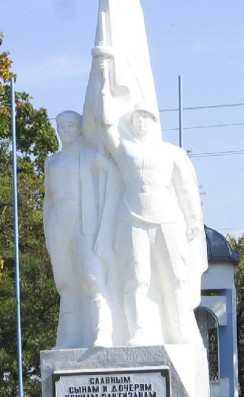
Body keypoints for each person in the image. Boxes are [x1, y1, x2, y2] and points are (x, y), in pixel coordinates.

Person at [92, 50, 207, 346]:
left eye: (146, 117)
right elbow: (105, 123)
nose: (141, 122)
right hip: (131, 217)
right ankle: (140, 329)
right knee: (136, 279)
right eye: (137, 117)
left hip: (166, 218)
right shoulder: (124, 150)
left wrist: (194, 220)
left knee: (175, 277)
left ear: (154, 121)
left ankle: (180, 328)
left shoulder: (172, 152)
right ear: (131, 122)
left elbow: (186, 189)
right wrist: (104, 75)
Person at [43, 110, 120, 348]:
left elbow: (116, 178)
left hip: (85, 222)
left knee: (91, 276)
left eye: (70, 125)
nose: (65, 130)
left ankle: (102, 332)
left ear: (78, 129)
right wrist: (48, 230)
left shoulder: (89, 155)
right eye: (61, 126)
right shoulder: (52, 161)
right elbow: (48, 198)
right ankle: (71, 336)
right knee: (66, 283)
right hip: (59, 223)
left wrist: (106, 165)